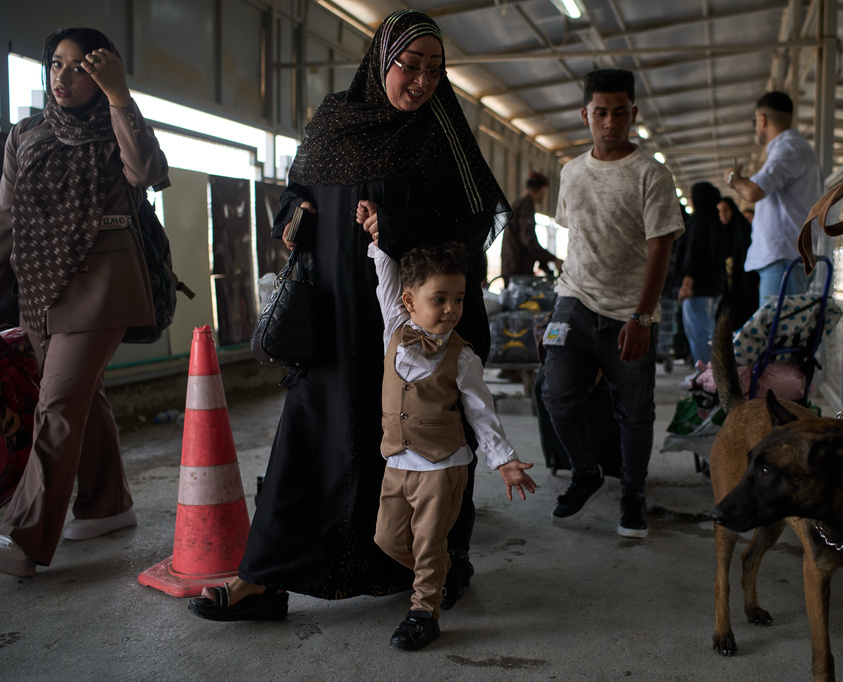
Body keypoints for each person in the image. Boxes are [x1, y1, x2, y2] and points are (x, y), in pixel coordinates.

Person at [187, 9, 511, 620]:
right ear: (379, 62)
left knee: (427, 448)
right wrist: (291, 219)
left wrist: (398, 227)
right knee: (311, 438)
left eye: (434, 70)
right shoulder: (334, 119)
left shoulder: (443, 134)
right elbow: (294, 190)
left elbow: (473, 226)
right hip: (335, 321)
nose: (421, 81)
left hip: (410, 329)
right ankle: (266, 578)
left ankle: (435, 572)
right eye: (409, 66)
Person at [0, 28, 168, 577]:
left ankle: (27, 539)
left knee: (59, 404)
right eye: (56, 64)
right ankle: (106, 503)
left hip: (102, 281)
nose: (64, 76)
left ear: (102, 74)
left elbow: (148, 172)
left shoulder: (115, 125)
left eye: (80, 67)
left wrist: (120, 97)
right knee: (79, 396)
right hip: (40, 287)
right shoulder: (25, 134)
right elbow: (7, 218)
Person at [362, 236, 535, 650]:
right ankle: (444, 573)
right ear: (409, 301)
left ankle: (424, 613)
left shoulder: (463, 356)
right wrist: (379, 236)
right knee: (386, 539)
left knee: (427, 544)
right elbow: (384, 278)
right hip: (397, 461)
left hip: (443, 466)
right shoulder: (394, 327)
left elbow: (481, 414)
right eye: (439, 299)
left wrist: (504, 460)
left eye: (458, 300)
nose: (451, 310)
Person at [541, 69, 683, 540]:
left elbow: (661, 249)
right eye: (600, 113)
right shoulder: (570, 172)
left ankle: (633, 496)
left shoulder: (651, 175)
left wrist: (642, 316)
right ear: (585, 115)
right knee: (556, 393)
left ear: (633, 114)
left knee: (635, 411)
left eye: (619, 112)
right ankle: (586, 471)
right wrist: (561, 293)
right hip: (574, 301)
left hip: (631, 312)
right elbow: (576, 237)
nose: (609, 122)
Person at [723, 91, 824, 307]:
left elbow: (753, 191)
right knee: (779, 334)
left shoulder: (789, 149)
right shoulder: (792, 148)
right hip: (785, 259)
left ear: (762, 119)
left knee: (776, 337)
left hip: (784, 260)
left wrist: (733, 178)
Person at [676, 182, 726, 365]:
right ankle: (712, 374)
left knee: (698, 333)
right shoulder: (716, 222)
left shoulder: (697, 223)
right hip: (714, 287)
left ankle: (705, 376)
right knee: (709, 331)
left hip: (697, 288)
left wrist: (687, 283)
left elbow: (693, 255)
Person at [499, 170, 562, 286]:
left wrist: (544, 262)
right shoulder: (526, 206)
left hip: (510, 267)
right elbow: (528, 240)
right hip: (518, 272)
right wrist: (554, 259)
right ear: (543, 190)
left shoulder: (518, 203)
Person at [716, 197, 759, 328]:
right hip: (727, 288)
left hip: (745, 284)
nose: (722, 214)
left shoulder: (743, 230)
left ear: (732, 211)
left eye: (725, 210)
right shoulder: (719, 232)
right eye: (719, 211)